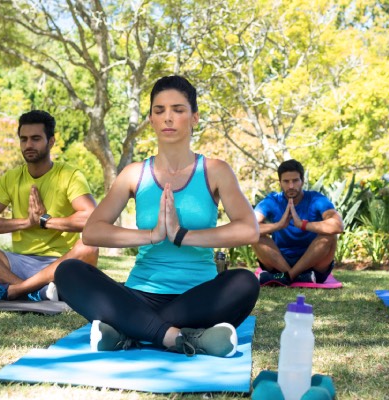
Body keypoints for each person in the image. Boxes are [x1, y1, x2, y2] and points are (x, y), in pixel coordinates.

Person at [53, 75, 260, 358]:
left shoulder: (216, 170)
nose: (168, 118)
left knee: (246, 282)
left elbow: (249, 230)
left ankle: (129, 330)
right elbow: (92, 231)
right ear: (150, 119)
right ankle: (179, 337)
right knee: (68, 271)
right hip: (139, 295)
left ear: (195, 117)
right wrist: (151, 236)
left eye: (178, 109)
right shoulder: (134, 174)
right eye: (159, 111)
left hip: (198, 298)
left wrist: (181, 236)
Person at [0, 110, 98, 301]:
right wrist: (26, 222)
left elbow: (93, 219)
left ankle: (14, 290)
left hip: (61, 263)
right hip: (18, 262)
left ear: (51, 141)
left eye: (36, 138)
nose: (28, 144)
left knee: (89, 247)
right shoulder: (12, 178)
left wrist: (45, 221)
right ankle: (31, 291)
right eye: (24, 139)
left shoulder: (69, 175)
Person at [253, 159, 344, 286]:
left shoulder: (316, 199)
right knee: (254, 235)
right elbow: (248, 227)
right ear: (280, 182)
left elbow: (338, 225)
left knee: (330, 233)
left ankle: (287, 276)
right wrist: (278, 225)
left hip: (313, 265)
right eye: (286, 181)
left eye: (295, 180)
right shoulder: (272, 201)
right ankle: (295, 276)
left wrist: (302, 224)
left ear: (302, 181)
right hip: (280, 263)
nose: (291, 186)